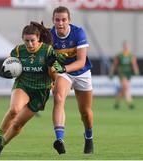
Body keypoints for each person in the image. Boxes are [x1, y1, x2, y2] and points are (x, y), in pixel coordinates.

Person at [0, 21, 62, 155]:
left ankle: (1, 146)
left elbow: (57, 74)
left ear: (38, 38)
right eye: (26, 41)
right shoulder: (18, 50)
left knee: (17, 125)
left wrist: (52, 67)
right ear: (23, 39)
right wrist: (5, 71)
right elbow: (9, 65)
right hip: (23, 85)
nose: (30, 44)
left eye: (32, 40)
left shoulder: (48, 50)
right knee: (14, 110)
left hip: (41, 91)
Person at [50, 6, 94, 154]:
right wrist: (54, 75)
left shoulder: (78, 32)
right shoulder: (50, 35)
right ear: (53, 21)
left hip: (81, 72)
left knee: (85, 112)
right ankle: (59, 139)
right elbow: (50, 60)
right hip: (64, 73)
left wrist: (63, 69)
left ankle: (89, 137)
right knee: (58, 97)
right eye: (57, 19)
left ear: (69, 20)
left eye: (64, 19)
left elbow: (81, 62)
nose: (60, 23)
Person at [109, 41, 140, 109]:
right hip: (121, 73)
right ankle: (130, 103)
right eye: (125, 46)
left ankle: (117, 103)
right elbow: (114, 64)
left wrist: (136, 71)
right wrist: (111, 73)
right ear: (123, 46)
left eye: (127, 46)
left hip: (128, 73)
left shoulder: (131, 55)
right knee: (126, 87)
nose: (126, 47)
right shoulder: (119, 55)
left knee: (124, 89)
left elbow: (134, 64)